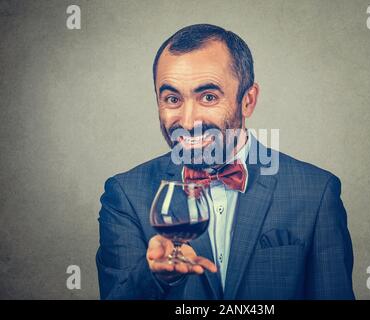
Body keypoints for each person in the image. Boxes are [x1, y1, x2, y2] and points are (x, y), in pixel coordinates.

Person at [96, 24, 355, 300]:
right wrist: (156, 277)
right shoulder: (124, 195)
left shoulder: (316, 192)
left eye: (208, 97)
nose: (186, 121)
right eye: (172, 99)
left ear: (248, 101)